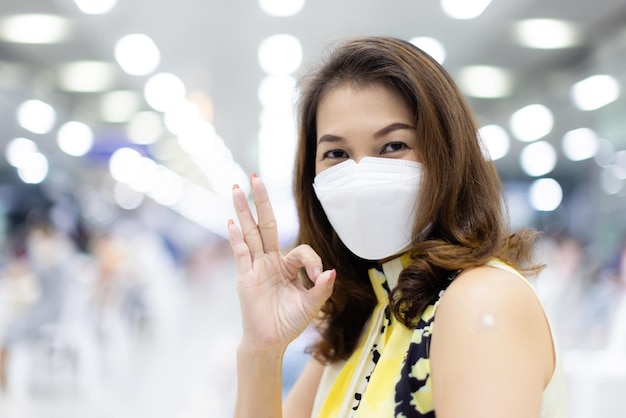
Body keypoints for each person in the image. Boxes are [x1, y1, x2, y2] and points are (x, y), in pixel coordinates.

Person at [227, 36, 567, 418]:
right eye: (336, 153)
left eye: (392, 146)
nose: (361, 175)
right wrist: (263, 348)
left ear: (447, 154)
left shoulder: (481, 300)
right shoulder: (369, 315)